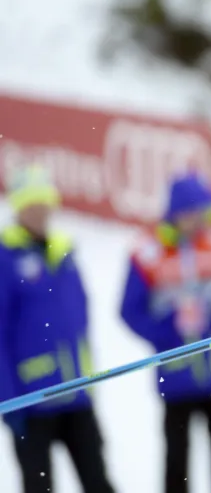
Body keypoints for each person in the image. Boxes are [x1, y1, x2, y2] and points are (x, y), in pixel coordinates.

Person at [120, 171, 211, 493]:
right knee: (177, 461)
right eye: (193, 211)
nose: (200, 218)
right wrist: (167, 332)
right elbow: (129, 310)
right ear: (177, 212)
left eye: (203, 210)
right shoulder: (149, 251)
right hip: (176, 373)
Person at [0, 165, 117, 493]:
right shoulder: (5, 258)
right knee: (38, 486)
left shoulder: (63, 252)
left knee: (98, 482)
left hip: (76, 393)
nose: (38, 212)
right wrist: (9, 400)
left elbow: (78, 320)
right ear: (18, 208)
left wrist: (88, 384)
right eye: (30, 205)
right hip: (32, 401)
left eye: (43, 204)